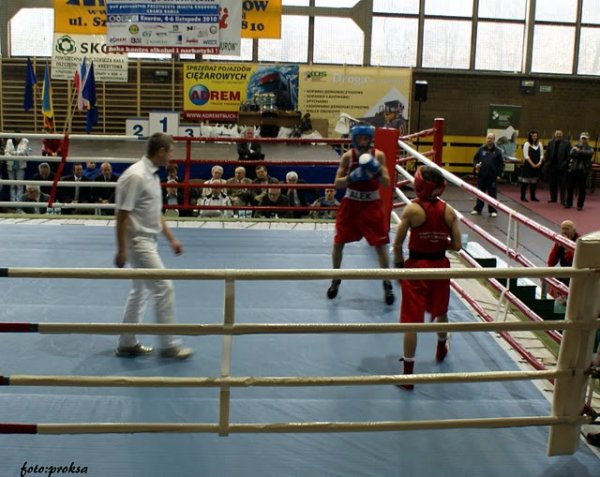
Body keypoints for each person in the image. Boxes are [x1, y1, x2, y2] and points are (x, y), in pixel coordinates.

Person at [114, 132, 193, 360]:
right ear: (161, 151)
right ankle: (169, 345)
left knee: (140, 291)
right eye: (170, 151)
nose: (172, 156)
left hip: (148, 239)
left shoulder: (152, 176)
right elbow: (122, 214)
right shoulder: (136, 176)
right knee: (163, 287)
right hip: (138, 241)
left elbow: (155, 213)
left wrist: (171, 239)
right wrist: (121, 249)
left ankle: (126, 342)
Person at [392, 166, 462, 390]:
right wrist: (438, 243)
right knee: (441, 311)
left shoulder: (412, 210)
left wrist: (398, 266)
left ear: (419, 185)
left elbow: (397, 244)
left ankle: (407, 376)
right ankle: (441, 347)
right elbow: (457, 245)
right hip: (440, 266)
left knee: (412, 321)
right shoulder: (449, 212)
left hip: (416, 268)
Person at [327, 123, 395, 305]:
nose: (363, 142)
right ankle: (335, 278)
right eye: (360, 138)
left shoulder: (378, 155)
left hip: (372, 205)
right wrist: (351, 177)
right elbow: (337, 183)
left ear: (370, 139)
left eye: (366, 138)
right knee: (338, 243)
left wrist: (377, 171)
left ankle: (387, 283)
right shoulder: (348, 157)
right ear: (354, 139)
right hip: (351, 204)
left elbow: (387, 183)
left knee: (380, 246)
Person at [546, 220, 579, 310]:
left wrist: (567, 245)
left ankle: (565, 301)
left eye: (567, 229)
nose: (564, 231)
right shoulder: (560, 241)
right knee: (551, 277)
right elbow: (551, 262)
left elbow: (574, 260)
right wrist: (557, 245)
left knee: (561, 278)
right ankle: (555, 300)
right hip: (565, 271)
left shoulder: (579, 242)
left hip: (577, 272)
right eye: (562, 229)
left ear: (573, 230)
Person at [471, 132, 504, 217]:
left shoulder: (498, 152)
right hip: (481, 176)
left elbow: (501, 164)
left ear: (494, 140)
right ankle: (477, 209)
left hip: (492, 177)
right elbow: (475, 159)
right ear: (486, 139)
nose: (489, 140)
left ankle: (493, 210)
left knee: (492, 194)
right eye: (488, 138)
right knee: (480, 193)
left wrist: (499, 174)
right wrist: (476, 165)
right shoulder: (481, 149)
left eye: (491, 138)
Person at [565, 132, 594, 211]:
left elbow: (588, 154)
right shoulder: (575, 146)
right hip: (573, 169)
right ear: (580, 138)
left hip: (583, 170)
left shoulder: (590, 148)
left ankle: (580, 205)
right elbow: (571, 154)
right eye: (582, 138)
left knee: (582, 188)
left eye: (585, 138)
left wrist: (578, 152)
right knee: (570, 187)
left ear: (588, 139)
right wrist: (580, 154)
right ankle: (568, 203)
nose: (583, 139)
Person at [543, 129, 571, 205]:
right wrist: (547, 163)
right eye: (557, 134)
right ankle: (553, 198)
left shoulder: (567, 143)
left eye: (560, 134)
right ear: (555, 135)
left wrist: (564, 164)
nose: (558, 135)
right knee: (552, 183)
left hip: (562, 167)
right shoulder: (550, 142)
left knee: (562, 184)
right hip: (552, 166)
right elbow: (547, 153)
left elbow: (568, 156)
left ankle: (563, 200)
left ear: (562, 135)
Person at [4, 132, 29, 203]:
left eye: (19, 136)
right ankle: (12, 202)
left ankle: (19, 202)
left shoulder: (25, 141)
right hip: (10, 165)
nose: (18, 138)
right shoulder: (9, 141)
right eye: (16, 136)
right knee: (12, 185)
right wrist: (16, 154)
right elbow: (6, 153)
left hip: (20, 166)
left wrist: (13, 153)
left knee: (19, 185)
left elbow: (23, 152)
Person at [520, 130, 544, 202]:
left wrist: (539, 163)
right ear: (530, 136)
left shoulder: (539, 144)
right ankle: (523, 197)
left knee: (534, 181)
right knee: (525, 181)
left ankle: (533, 196)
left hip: (537, 165)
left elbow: (542, 155)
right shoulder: (527, 144)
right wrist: (532, 164)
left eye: (536, 136)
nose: (535, 137)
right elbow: (526, 156)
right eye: (533, 136)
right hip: (528, 165)